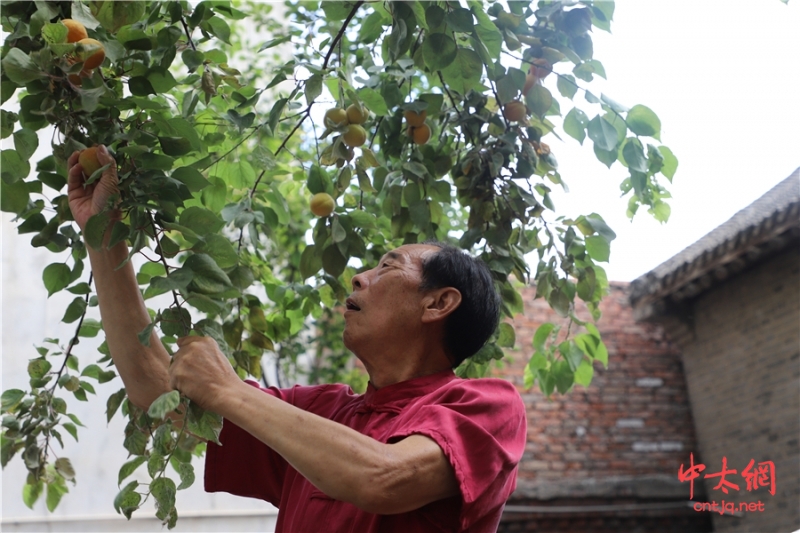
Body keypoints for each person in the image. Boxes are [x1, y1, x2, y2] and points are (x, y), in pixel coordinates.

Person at [67, 146, 527, 532]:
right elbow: (155, 387)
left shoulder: (487, 407)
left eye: (387, 266)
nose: (358, 277)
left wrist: (228, 391)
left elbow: (384, 479)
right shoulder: (320, 411)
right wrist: (105, 233)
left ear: (438, 304)